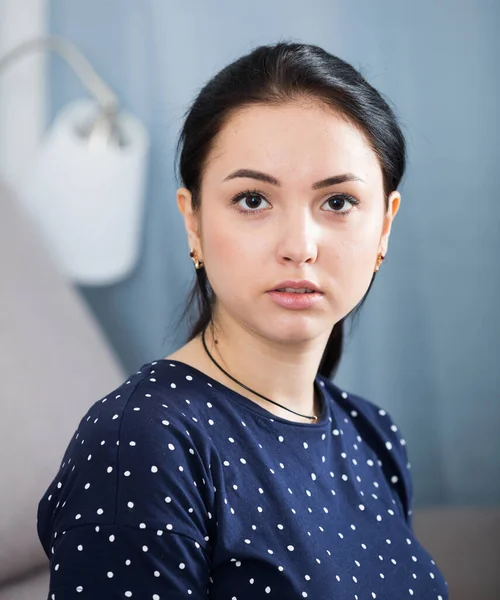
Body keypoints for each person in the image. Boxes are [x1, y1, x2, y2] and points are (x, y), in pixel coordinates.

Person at [37, 41, 448, 599]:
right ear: (194, 222)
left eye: (338, 202)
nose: (299, 247)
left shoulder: (372, 434)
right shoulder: (140, 443)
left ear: (384, 226)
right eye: (253, 200)